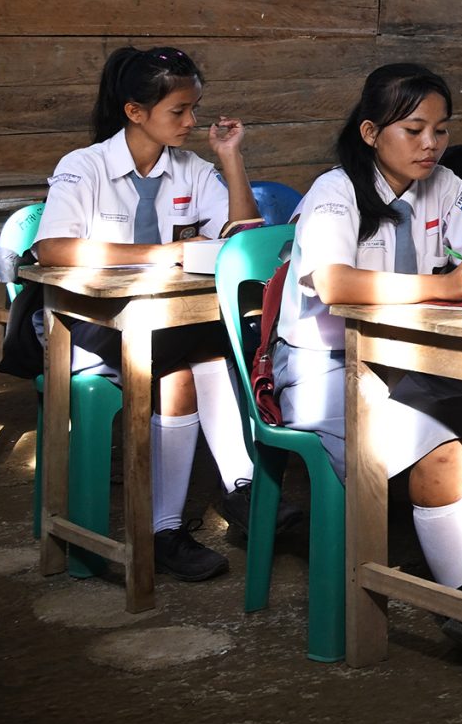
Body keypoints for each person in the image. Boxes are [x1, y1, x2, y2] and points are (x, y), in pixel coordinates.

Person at [270, 63, 462, 646]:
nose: (430, 144)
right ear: (370, 133)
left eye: (441, 129)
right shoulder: (335, 192)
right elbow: (335, 284)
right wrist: (447, 285)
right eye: (413, 129)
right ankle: (460, 604)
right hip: (325, 369)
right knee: (442, 452)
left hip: (411, 362)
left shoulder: (448, 186)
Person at [32, 46, 283, 581]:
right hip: (93, 325)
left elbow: (242, 239)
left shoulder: (190, 167)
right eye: (179, 111)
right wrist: (158, 254)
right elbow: (52, 248)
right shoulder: (85, 166)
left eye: (195, 108)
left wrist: (230, 157)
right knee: (200, 355)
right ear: (134, 111)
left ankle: (198, 512)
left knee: (211, 350)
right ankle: (206, 508)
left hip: (167, 324)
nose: (192, 121)